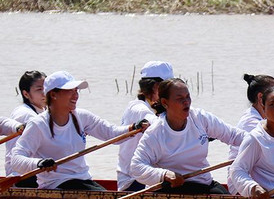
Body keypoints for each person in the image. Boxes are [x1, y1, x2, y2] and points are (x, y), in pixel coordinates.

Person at [11, 71, 147, 191]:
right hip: (55, 184)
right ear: (53, 95)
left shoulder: (82, 116)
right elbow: (16, 159)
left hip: (83, 180)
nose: (76, 95)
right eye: (70, 91)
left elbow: (111, 133)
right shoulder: (38, 124)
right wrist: (38, 163)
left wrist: (134, 128)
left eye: (76, 91)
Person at [131, 78, 246, 194]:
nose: (186, 102)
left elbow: (233, 135)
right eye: (180, 99)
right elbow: (136, 166)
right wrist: (164, 174)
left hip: (202, 184)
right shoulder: (155, 133)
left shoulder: (200, 117)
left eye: (188, 97)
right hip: (169, 189)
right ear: (165, 103)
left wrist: (260, 140)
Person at [116, 61, 174, 191]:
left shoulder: (159, 108)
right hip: (133, 181)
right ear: (154, 86)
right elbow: (161, 127)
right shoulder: (138, 109)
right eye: (167, 87)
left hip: (151, 177)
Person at [4, 71, 45, 186]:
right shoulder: (26, 115)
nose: (45, 93)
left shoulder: (40, 111)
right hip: (21, 177)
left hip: (33, 172)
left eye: (46, 88)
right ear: (26, 94)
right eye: (39, 89)